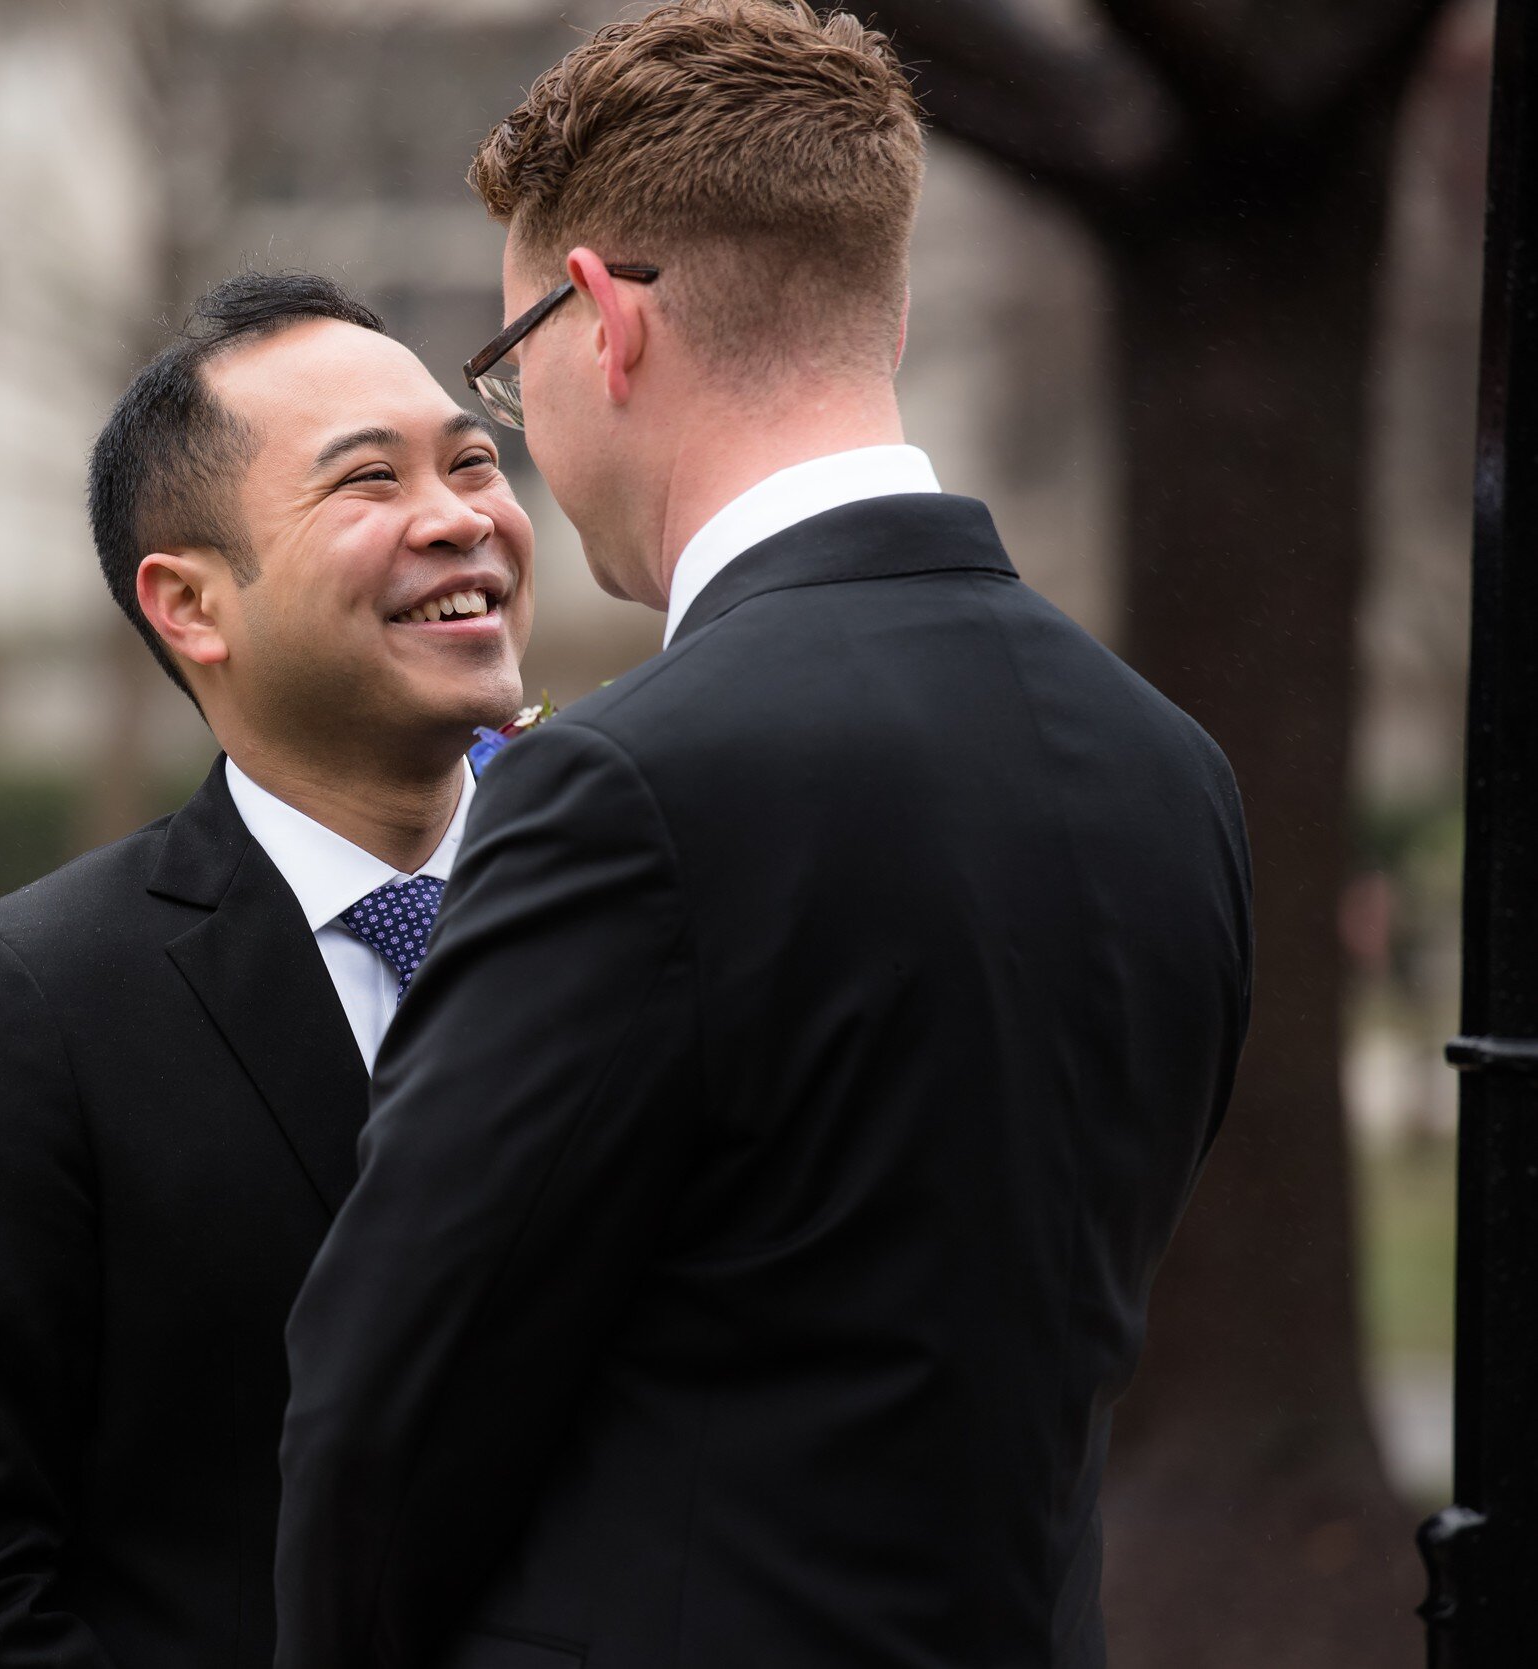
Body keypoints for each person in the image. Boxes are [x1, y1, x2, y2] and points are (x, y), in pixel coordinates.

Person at [273, 6, 1254, 1668]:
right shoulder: (1171, 770)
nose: (521, 433)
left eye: (507, 367)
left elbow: (391, 1408)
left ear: (602, 319)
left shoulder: (626, 792)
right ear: (890, 309)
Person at [0, 271, 534, 1669]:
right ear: (191, 603)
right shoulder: (30, 1009)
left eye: (471, 462)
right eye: (368, 480)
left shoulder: (633, 916)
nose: (461, 517)